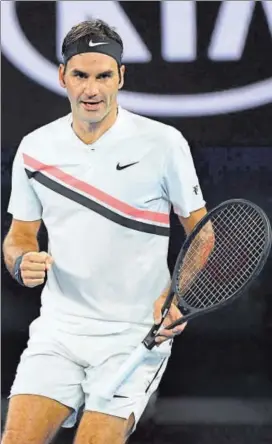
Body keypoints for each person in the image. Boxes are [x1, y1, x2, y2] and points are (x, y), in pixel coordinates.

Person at [2, 19, 207, 444]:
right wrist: (22, 261)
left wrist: (179, 297)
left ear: (121, 76)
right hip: (59, 331)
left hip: (133, 338)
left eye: (103, 76)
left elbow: (203, 234)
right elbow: (19, 235)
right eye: (80, 75)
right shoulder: (35, 147)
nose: (91, 90)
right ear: (62, 76)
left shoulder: (164, 143)